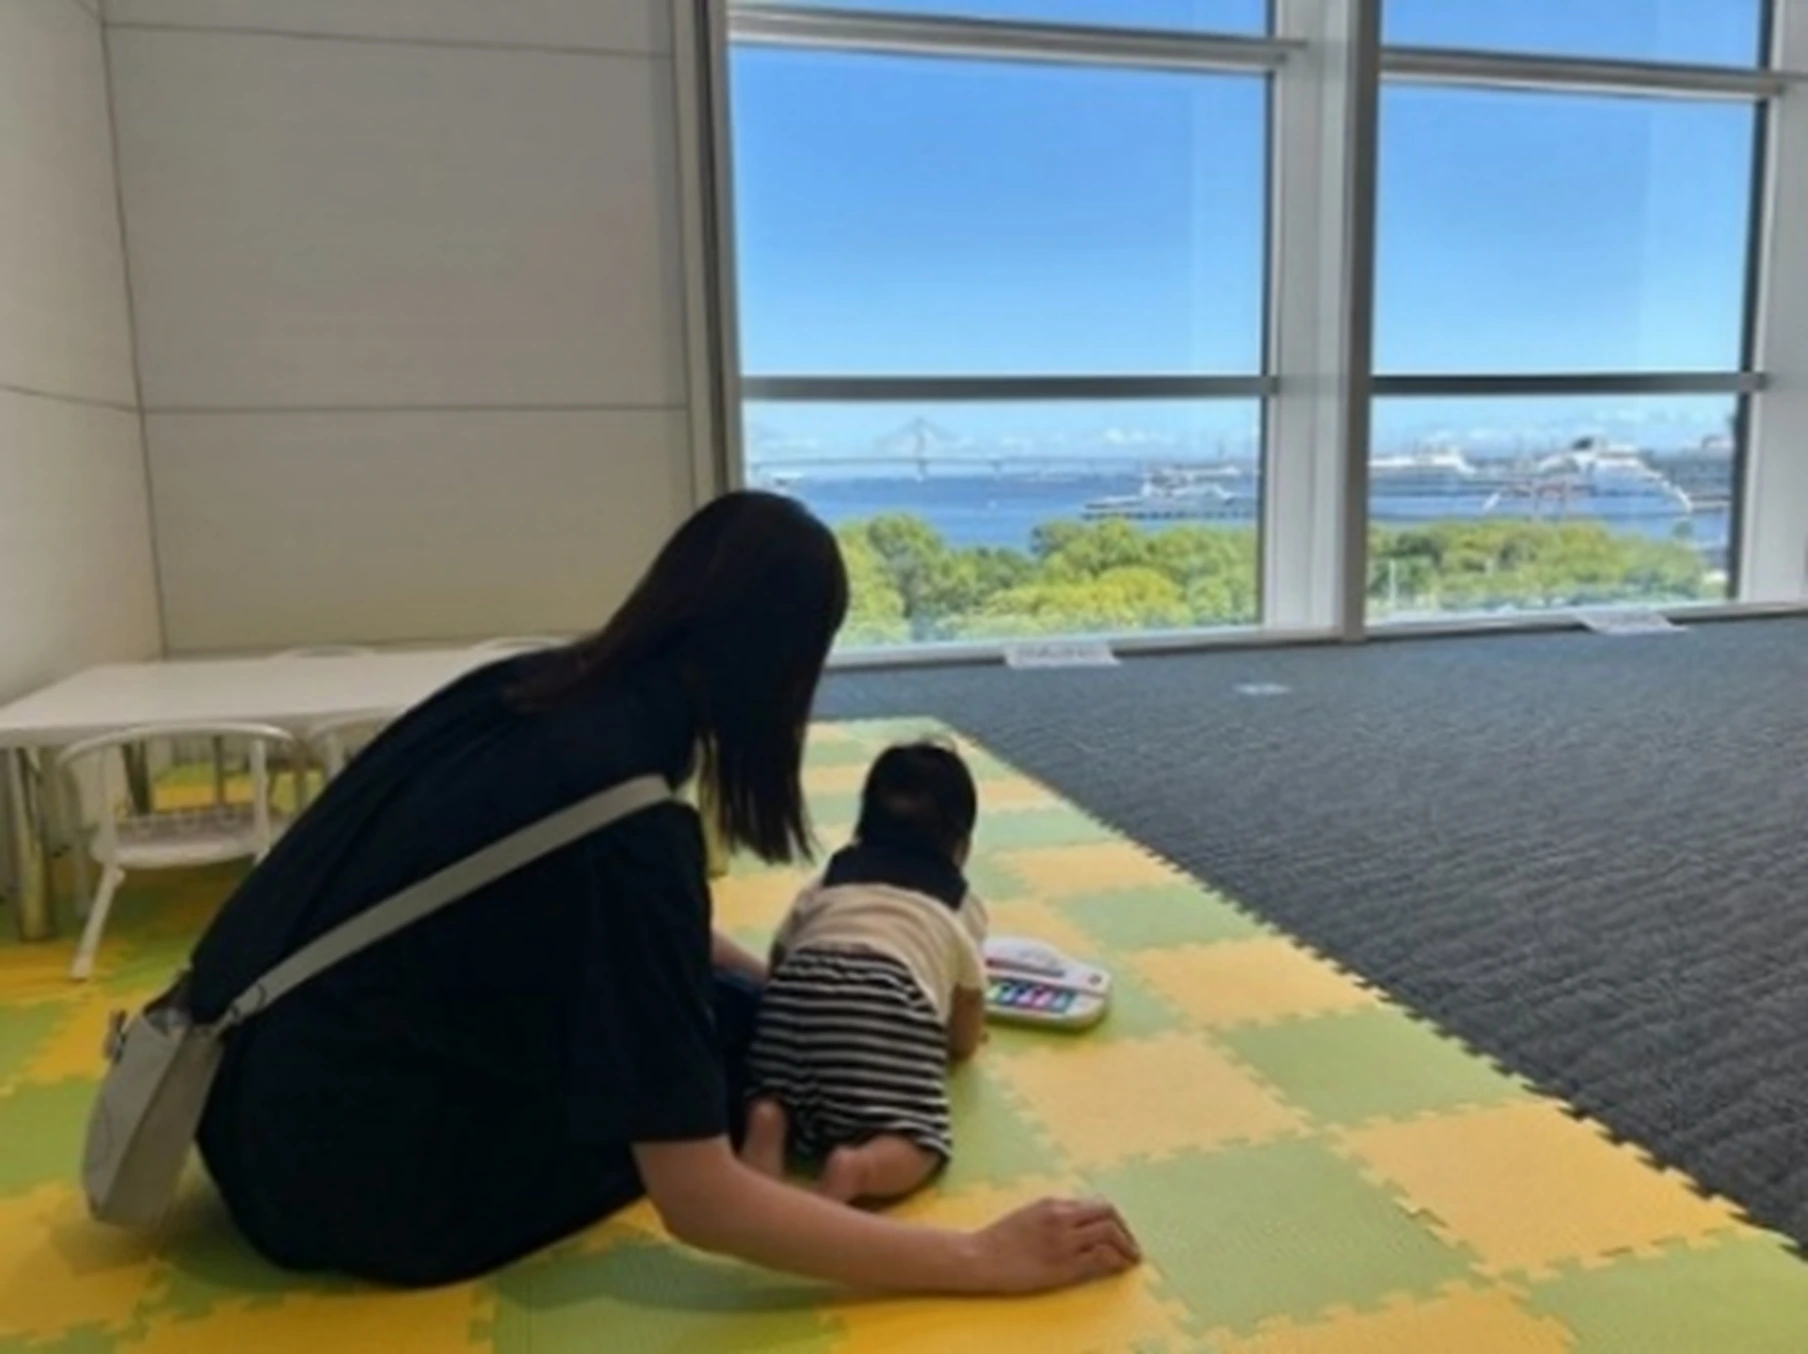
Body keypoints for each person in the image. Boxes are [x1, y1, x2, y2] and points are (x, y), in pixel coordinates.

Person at [184, 490, 1139, 1294]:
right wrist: (978, 1256)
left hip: (238, 1099)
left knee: (749, 1011)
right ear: (785, 668)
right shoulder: (631, 820)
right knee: (732, 1056)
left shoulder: (533, 687)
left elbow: (576, 923)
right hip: (349, 1189)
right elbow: (701, 1202)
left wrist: (777, 983)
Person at [742, 740, 989, 1205]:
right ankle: (858, 1168)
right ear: (962, 845)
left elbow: (780, 953)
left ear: (862, 827)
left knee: (775, 1091)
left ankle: (769, 1122)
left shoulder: (831, 878)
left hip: (796, 993)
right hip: (885, 998)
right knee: (919, 1140)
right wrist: (962, 1043)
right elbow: (968, 1004)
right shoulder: (960, 903)